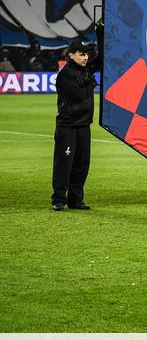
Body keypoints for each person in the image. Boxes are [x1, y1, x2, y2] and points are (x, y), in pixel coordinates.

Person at [51, 40, 97, 211]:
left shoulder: (84, 70)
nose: (85, 57)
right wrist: (91, 83)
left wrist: (101, 32)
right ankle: (59, 200)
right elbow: (78, 95)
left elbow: (99, 61)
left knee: (81, 165)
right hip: (68, 126)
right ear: (71, 55)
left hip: (84, 125)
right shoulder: (65, 74)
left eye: (86, 54)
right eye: (81, 54)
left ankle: (76, 200)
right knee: (64, 164)